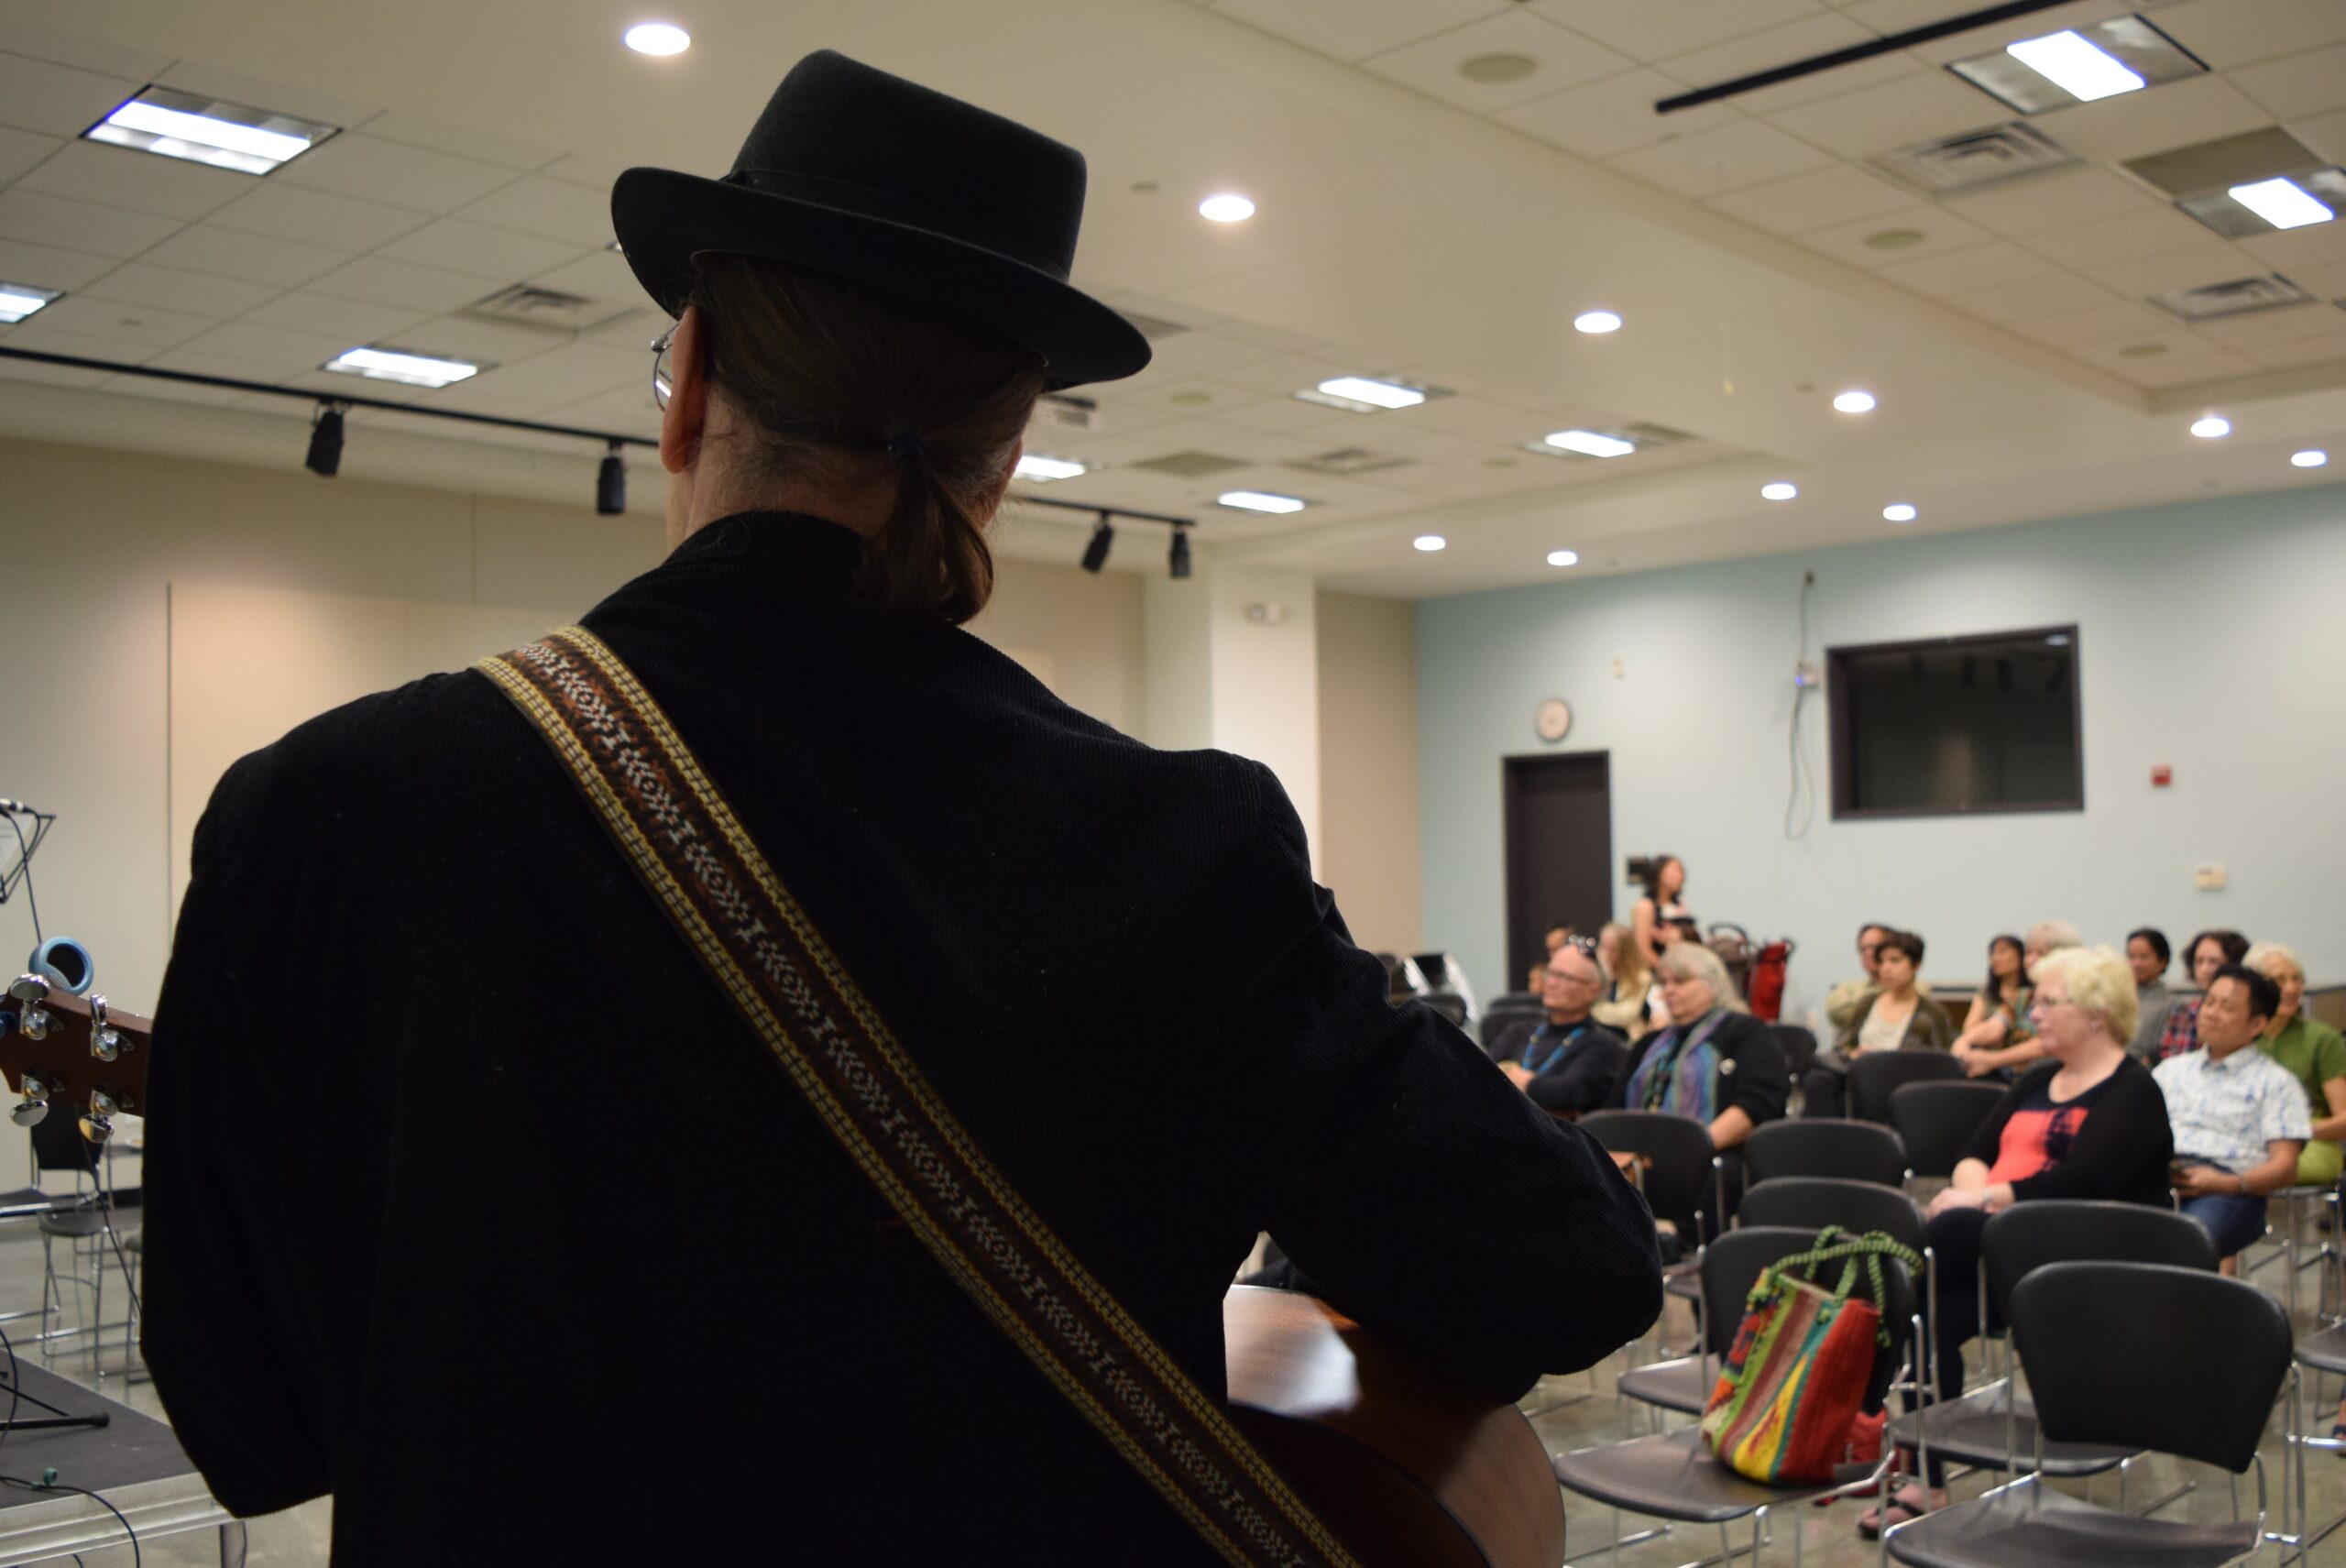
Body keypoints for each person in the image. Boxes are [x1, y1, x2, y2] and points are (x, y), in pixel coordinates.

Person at [137, 53, 1663, 1567]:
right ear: (1000, 466)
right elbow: (1574, 1270)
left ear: (690, 382)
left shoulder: (321, 814)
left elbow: (249, 1413)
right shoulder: (1179, 850)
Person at [1861, 946, 2172, 1536]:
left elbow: (2082, 1183)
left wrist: (1981, 1199)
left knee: (1925, 1248)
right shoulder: (2036, 1080)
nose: (2035, 1015)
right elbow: (1973, 1153)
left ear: (2098, 1013)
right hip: (1994, 1257)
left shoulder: (2133, 1091)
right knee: (1927, 1315)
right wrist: (1974, 1194)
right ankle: (1926, 1475)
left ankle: (1859, 1406)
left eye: (2050, 1002)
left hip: (2081, 1262)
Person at [1615, 941, 1788, 1228]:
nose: (1668, 990)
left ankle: (1675, 1241)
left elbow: (1756, 1105)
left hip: (1709, 1155)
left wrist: (1689, 1148)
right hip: (1638, 1157)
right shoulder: (1650, 1043)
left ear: (1713, 983)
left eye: (1680, 981)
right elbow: (1615, 1105)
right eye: (1664, 983)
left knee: (1704, 1177)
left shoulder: (1745, 1032)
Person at [2154, 964, 2308, 1271]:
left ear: (2257, 1024)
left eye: (2226, 1007)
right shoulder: (2171, 1071)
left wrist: (2229, 1183)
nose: (2211, 1013)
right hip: (2161, 1177)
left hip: (2228, 1190)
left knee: (2184, 1246)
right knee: (2103, 1229)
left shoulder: (2276, 1083)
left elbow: (2285, 1167)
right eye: (2209, 1002)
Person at [1802, 930, 1953, 1118]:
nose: (1886, 968)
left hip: (1902, 1082)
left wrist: (1885, 1060)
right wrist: (1855, 1054)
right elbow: (1841, 1047)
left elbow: (1942, 1063)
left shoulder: (1932, 1014)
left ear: (1916, 965)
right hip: (1860, 1077)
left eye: (1895, 960)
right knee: (1818, 1080)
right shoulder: (1867, 1003)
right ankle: (1817, 1135)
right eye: (1881, 961)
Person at [1490, 938, 1630, 1118]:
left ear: (1592, 990)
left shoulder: (1601, 1044)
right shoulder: (1518, 1031)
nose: (1552, 983)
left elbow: (1569, 1093)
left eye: (1565, 977)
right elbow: (1480, 1076)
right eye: (1551, 973)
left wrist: (1521, 1080)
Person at [2244, 942, 2346, 1189]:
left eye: (2296, 979)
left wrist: (2293, 1131)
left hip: (2309, 1140)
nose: (2291, 988)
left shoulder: (2322, 1038)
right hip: (2243, 1136)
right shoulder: (2238, 1037)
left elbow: (2344, 1118)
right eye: (2279, 980)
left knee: (2253, 1167)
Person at [1950, 920, 2081, 1079]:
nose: (2031, 960)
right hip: (2016, 1078)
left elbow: (2047, 1044)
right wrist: (1964, 1041)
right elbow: (1995, 1027)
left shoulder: (2074, 999)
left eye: (2041, 954)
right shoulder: (2023, 996)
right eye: (2028, 953)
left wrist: (1992, 1060)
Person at [2154, 928, 2252, 1062]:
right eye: (2199, 961)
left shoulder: (2244, 1013)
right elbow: (2167, 1055)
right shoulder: (2183, 1012)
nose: (2204, 969)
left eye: (2213, 962)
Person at [1823, 922, 1894, 1035]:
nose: (1868, 953)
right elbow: (1838, 1013)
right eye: (1863, 948)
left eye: (1874, 947)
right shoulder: (1847, 989)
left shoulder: (1917, 989)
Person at [1958, 934, 2028, 1042]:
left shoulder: (2032, 993)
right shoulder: (1986, 995)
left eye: (2002, 951)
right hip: (1987, 1050)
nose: (1995, 958)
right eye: (1992, 953)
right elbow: (1968, 1032)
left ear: (2021, 955)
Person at [1593, 919, 1653, 1038]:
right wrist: (1605, 974)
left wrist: (1592, 1009)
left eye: (1612, 949)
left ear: (1625, 952)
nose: (1605, 954)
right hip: (1595, 1033)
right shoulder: (1595, 973)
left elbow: (1626, 1016)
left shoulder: (1641, 977)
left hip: (1625, 1037)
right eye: (1603, 947)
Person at [2125, 927, 2175, 1058]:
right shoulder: (2115, 996)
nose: (2136, 963)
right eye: (2131, 956)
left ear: (2162, 961)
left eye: (2144, 957)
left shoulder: (2170, 1003)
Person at [1630, 854, 1690, 962]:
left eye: (1682, 871)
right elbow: (1642, 949)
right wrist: (1663, 968)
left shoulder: (1679, 905)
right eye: (1676, 871)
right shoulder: (1645, 906)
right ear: (1660, 874)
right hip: (1657, 966)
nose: (1681, 877)